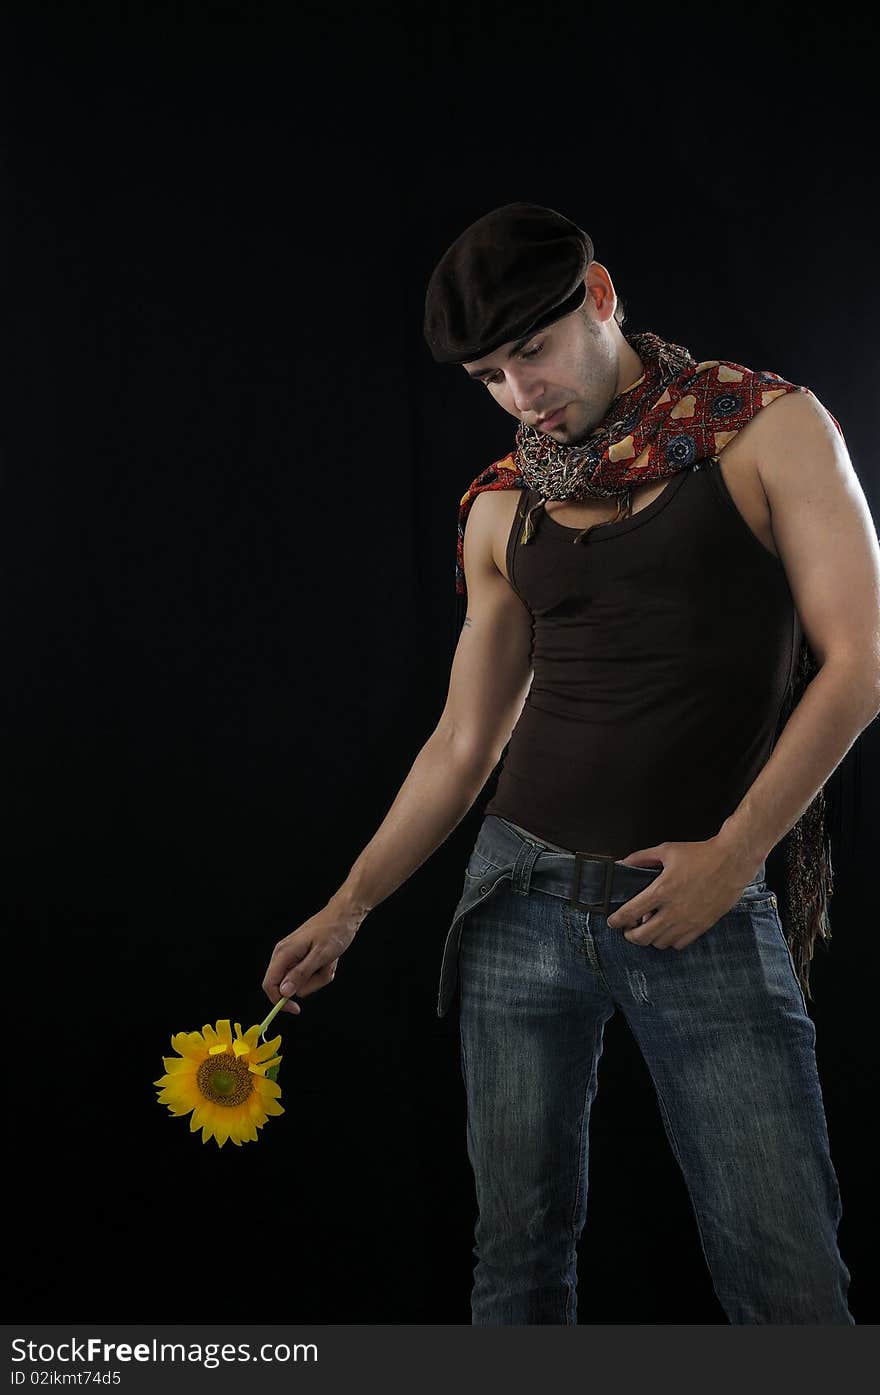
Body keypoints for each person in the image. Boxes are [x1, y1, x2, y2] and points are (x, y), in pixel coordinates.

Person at [262, 203, 880, 1324]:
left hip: (695, 897)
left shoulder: (763, 429)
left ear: (598, 297)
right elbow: (464, 745)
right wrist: (347, 908)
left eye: (531, 354)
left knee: (785, 1279)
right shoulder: (505, 505)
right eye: (490, 377)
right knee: (516, 1259)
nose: (519, 396)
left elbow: (861, 665)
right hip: (515, 896)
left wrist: (734, 858)